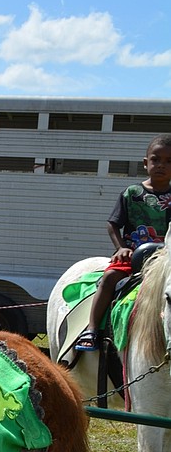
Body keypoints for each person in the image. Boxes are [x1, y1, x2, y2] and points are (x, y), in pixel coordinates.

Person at [74, 134, 171, 350]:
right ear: (146, 163)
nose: (161, 165)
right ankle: (92, 330)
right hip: (134, 257)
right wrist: (121, 247)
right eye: (156, 159)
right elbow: (113, 224)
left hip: (166, 260)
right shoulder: (132, 193)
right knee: (109, 278)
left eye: (169, 161)